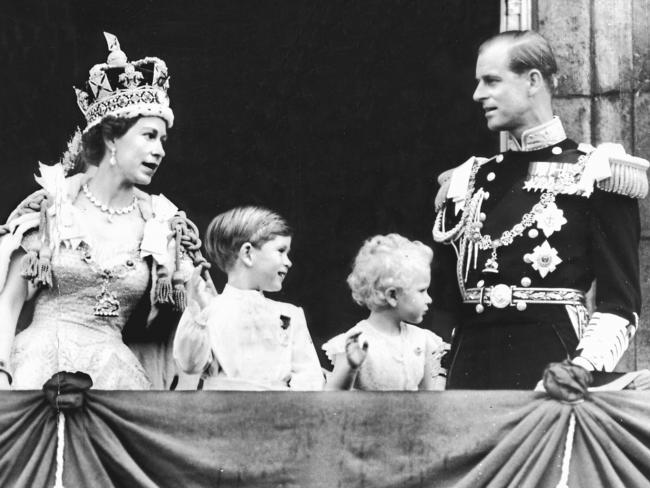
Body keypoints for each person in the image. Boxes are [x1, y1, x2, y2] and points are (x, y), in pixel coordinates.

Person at [432, 30, 648, 389]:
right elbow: (447, 305)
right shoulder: (468, 180)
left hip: (552, 375)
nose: (478, 94)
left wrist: (580, 369)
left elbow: (619, 307)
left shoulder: (597, 173)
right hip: (467, 375)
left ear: (533, 80)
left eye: (491, 81)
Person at [0, 33, 200, 390]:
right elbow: (9, 301)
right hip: (37, 371)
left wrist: (192, 288)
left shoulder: (160, 224)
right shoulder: (53, 207)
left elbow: (174, 330)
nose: (159, 151)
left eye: (163, 141)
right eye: (148, 136)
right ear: (111, 138)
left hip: (115, 377)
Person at [173, 206, 324, 390]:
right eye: (281, 251)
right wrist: (196, 314)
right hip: (221, 412)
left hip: (279, 411)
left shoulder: (290, 314)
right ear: (247, 253)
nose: (288, 261)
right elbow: (190, 364)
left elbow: (310, 378)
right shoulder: (210, 311)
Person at [323, 234, 448, 391]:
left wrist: (442, 373)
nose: (429, 299)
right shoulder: (356, 343)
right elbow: (332, 398)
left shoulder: (424, 340)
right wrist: (350, 367)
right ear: (392, 295)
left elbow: (430, 400)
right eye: (422, 291)